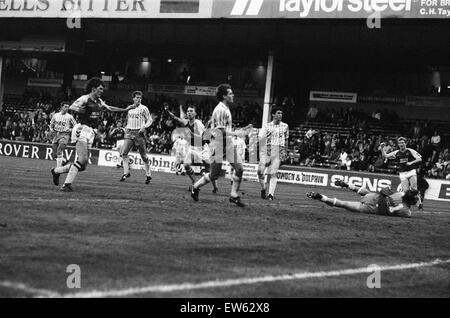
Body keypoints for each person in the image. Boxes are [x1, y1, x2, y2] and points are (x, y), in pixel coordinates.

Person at [51, 78, 134, 191]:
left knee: (83, 166)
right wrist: (79, 110)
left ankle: (56, 171)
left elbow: (109, 108)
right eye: (100, 89)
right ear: (93, 89)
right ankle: (66, 185)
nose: (102, 91)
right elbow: (72, 107)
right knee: (83, 159)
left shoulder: (99, 101)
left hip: (91, 132)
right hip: (81, 129)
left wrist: (125, 109)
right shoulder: (85, 98)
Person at [190, 84, 252, 207]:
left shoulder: (226, 108)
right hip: (217, 144)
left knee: (239, 169)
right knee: (214, 175)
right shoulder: (220, 110)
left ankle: (233, 195)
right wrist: (239, 132)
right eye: (230, 93)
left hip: (227, 143)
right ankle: (195, 187)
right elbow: (221, 131)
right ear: (224, 96)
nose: (233, 95)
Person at [307, 179, 418, 218]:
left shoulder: (400, 194)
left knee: (368, 193)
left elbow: (385, 191)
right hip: (372, 209)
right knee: (343, 204)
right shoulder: (407, 212)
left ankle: (348, 185)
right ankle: (322, 197)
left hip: (374, 198)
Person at [120, 91, 153, 184]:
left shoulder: (144, 108)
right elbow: (127, 119)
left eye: (140, 98)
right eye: (137, 97)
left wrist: (144, 127)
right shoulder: (129, 108)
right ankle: (126, 172)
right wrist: (126, 127)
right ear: (133, 98)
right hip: (129, 132)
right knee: (124, 153)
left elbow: (150, 120)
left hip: (139, 133)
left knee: (144, 156)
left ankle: (148, 174)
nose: (139, 99)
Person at [257, 107, 289, 200]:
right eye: (278, 113)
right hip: (268, 150)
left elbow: (286, 140)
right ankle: (263, 188)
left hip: (279, 150)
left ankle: (271, 195)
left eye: (281, 113)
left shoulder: (285, 126)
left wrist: (285, 152)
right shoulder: (267, 126)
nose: (280, 115)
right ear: (273, 114)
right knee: (260, 172)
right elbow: (260, 139)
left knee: (273, 173)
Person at [381, 137, 422, 205]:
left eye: (402, 142)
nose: (401, 144)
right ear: (398, 144)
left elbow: (419, 159)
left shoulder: (410, 151)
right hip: (402, 173)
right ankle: (408, 205)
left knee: (414, 189)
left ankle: (419, 203)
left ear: (405, 143)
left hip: (411, 171)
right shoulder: (396, 152)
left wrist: (411, 163)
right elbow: (385, 156)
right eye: (400, 143)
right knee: (406, 192)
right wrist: (382, 148)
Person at [49, 102, 77, 168]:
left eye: (68, 107)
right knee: (54, 154)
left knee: (59, 151)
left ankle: (58, 168)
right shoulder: (55, 115)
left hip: (65, 135)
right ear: (61, 107)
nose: (67, 108)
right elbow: (51, 124)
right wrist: (52, 130)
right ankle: (66, 161)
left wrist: (70, 130)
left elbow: (76, 126)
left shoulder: (70, 117)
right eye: (65, 106)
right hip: (56, 134)